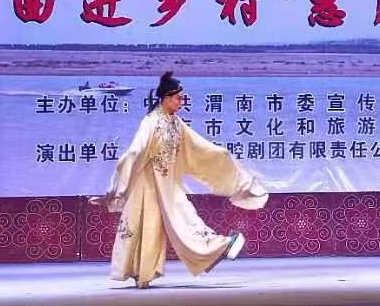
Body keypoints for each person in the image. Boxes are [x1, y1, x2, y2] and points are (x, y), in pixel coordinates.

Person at [90, 71, 268, 288]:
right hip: (148, 185)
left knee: (184, 218)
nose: (181, 102)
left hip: (168, 185)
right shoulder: (151, 122)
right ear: (165, 98)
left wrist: (223, 156)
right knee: (150, 225)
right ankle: (143, 274)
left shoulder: (175, 123)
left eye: (182, 98)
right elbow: (135, 152)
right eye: (178, 98)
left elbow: (199, 146)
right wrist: (115, 189)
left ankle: (217, 247)